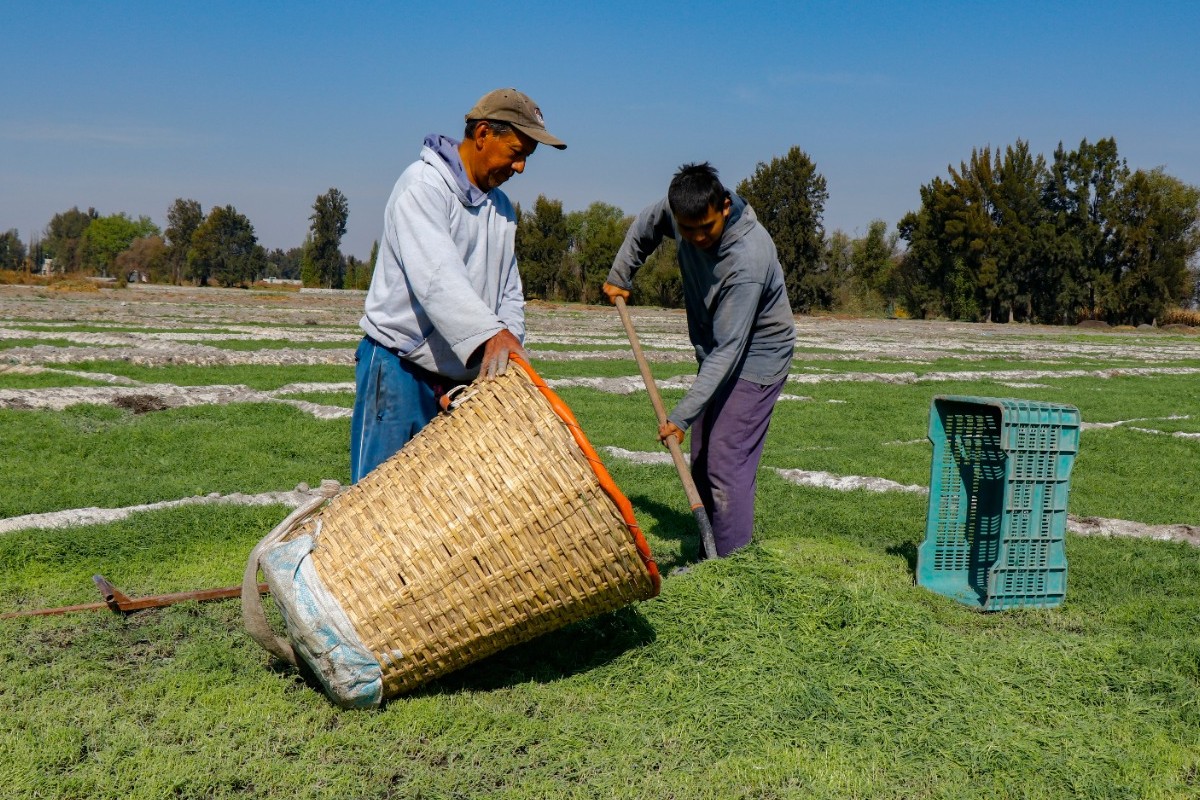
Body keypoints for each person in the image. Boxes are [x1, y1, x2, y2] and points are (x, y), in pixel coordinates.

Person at [351, 88, 567, 483]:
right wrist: (490, 336)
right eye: (516, 152)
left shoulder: (501, 209)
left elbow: (509, 291)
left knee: (441, 504)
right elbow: (437, 276)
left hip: (459, 382)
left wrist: (508, 343)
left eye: (527, 158)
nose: (520, 167)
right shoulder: (423, 186)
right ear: (483, 134)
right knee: (377, 498)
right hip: (400, 368)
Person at [602, 163, 795, 558]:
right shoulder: (682, 213)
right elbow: (646, 224)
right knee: (703, 455)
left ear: (725, 206)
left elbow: (730, 348)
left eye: (705, 228)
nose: (696, 238)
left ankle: (731, 565)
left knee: (725, 459)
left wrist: (680, 417)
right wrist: (622, 273)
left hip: (756, 356)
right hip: (718, 351)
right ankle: (711, 550)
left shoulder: (747, 258)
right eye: (687, 231)